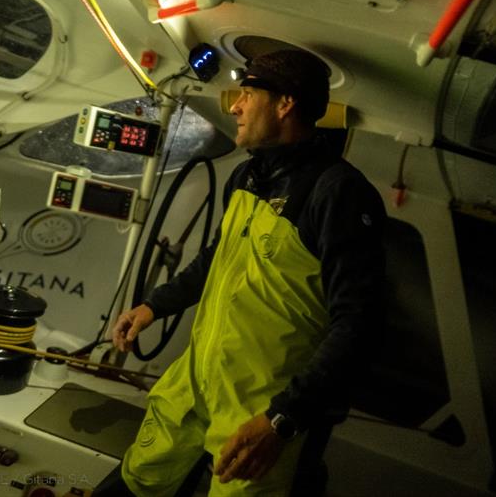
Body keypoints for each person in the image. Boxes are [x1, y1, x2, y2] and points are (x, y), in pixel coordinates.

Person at [103, 49, 386, 496]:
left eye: (248, 94)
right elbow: (217, 260)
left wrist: (283, 420)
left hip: (261, 411)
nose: (234, 106)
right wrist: (153, 306)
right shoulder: (247, 176)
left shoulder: (337, 193)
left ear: (285, 103)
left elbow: (359, 323)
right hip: (194, 387)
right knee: (137, 482)